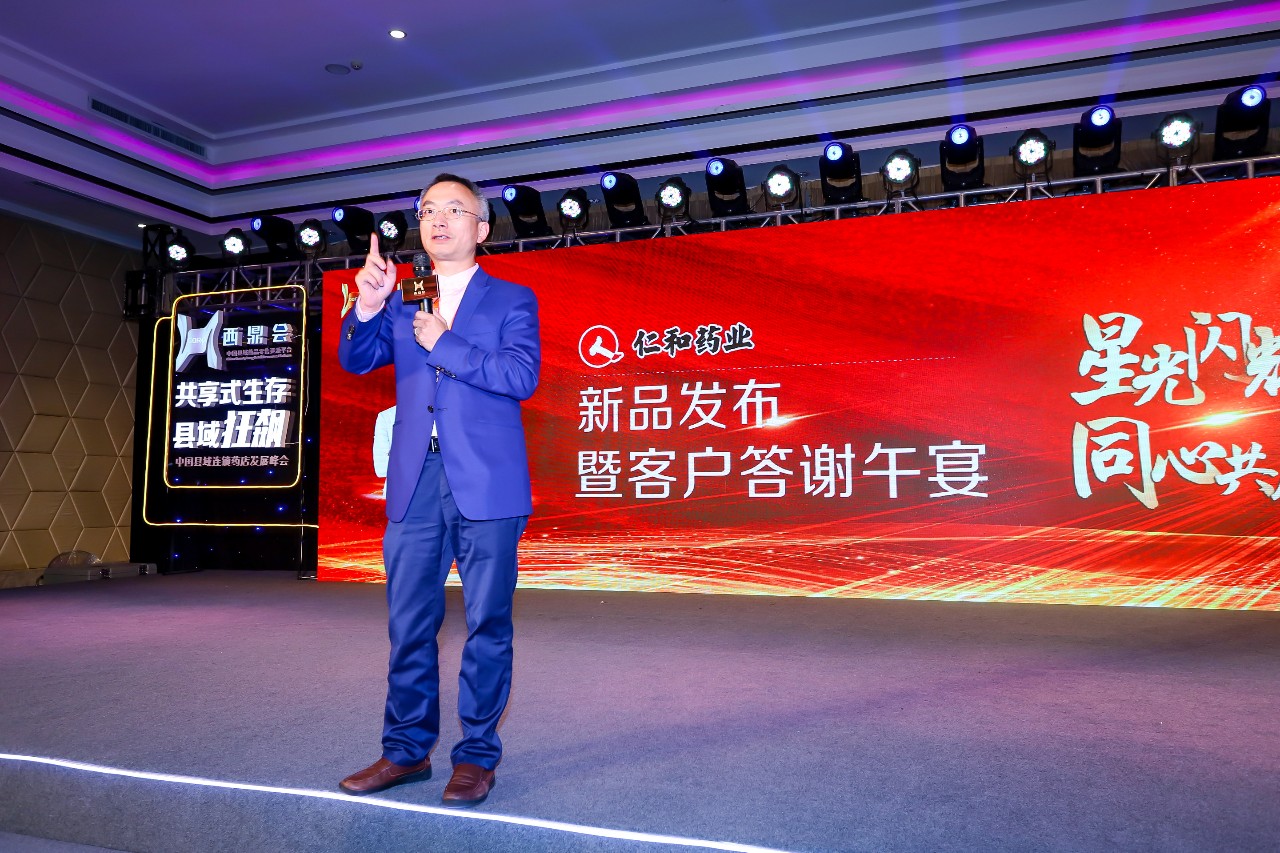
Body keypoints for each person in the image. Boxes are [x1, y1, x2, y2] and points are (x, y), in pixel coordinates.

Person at [336, 174, 540, 807]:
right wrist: (367, 306)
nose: (439, 220)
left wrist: (445, 343)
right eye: (428, 211)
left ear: (482, 228)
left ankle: (476, 757)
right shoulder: (401, 298)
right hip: (415, 481)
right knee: (409, 624)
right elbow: (356, 360)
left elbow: (521, 376)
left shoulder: (512, 298)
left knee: (487, 624)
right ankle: (405, 751)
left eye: (454, 210)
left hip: (487, 483)